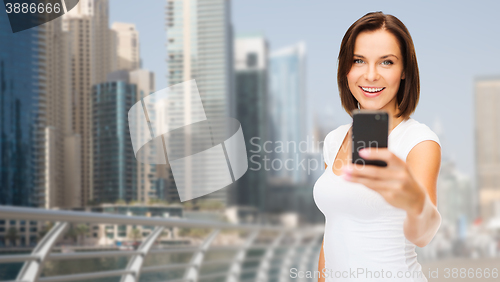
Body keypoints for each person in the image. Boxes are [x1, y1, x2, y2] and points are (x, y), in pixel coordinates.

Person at [313, 11, 442, 282]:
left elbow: (424, 235)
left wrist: (414, 200)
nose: (370, 75)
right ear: (345, 68)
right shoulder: (334, 140)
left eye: (386, 62)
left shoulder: (418, 141)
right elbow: (332, 232)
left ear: (404, 70)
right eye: (358, 60)